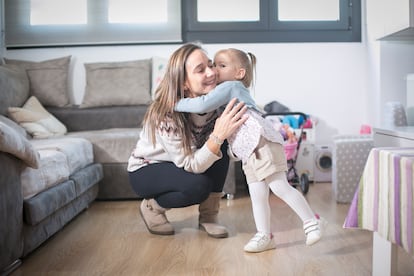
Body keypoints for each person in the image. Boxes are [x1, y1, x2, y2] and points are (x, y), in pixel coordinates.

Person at [175, 48, 326, 253]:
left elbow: (203, 103)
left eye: (221, 65)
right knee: (257, 194)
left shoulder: (231, 85)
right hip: (249, 149)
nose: (214, 71)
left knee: (279, 186)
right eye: (213, 65)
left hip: (261, 141)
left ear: (239, 73)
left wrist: (176, 103)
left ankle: (312, 222)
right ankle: (264, 235)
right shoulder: (225, 88)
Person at [127, 43, 248, 239]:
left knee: (221, 144)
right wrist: (217, 136)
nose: (211, 72)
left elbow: (225, 150)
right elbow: (189, 163)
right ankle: (152, 207)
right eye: (201, 70)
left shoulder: (216, 102)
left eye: (211, 65)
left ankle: (209, 216)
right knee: (198, 185)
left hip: (186, 161)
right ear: (184, 83)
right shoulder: (167, 113)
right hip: (148, 169)